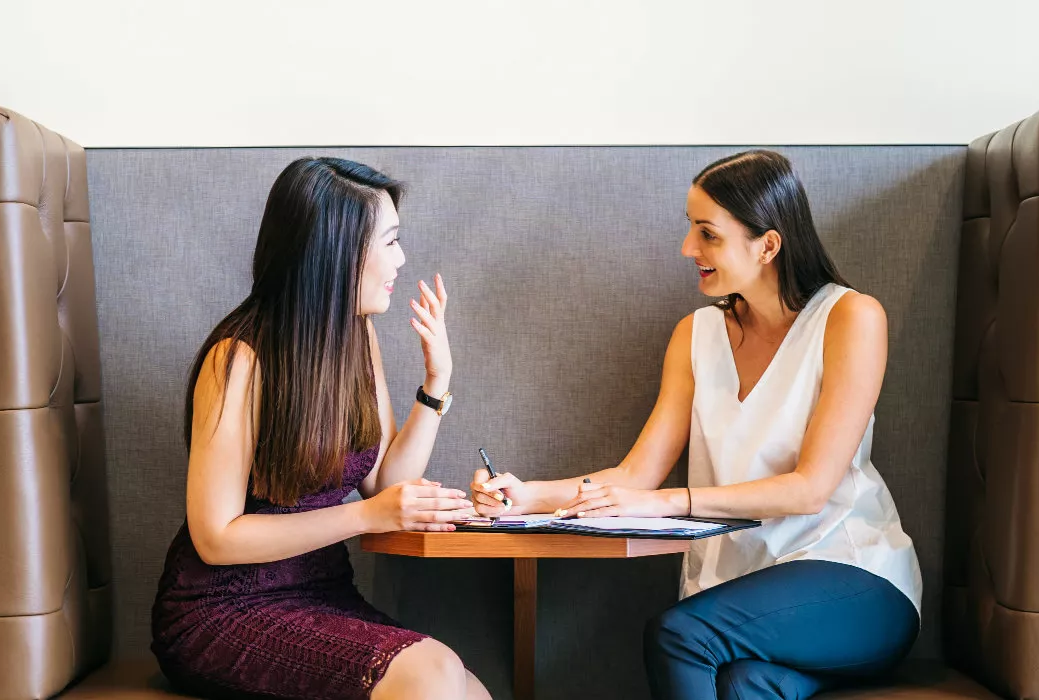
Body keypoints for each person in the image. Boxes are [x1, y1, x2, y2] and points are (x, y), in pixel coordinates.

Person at [471, 150, 921, 700]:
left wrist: (669, 502)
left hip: (854, 578)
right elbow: (635, 475)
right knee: (742, 687)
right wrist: (526, 497)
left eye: (708, 234)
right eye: (691, 228)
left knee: (680, 635)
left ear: (768, 245)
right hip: (741, 598)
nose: (688, 248)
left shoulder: (850, 318)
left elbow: (810, 490)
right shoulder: (697, 334)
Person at [151, 157, 491, 700]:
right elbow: (215, 538)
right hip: (221, 609)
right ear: (337, 252)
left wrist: (437, 380)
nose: (401, 258)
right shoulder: (237, 359)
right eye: (390, 241)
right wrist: (366, 517)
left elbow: (384, 483)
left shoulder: (357, 337)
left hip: (320, 593)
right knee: (434, 676)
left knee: (470, 690)